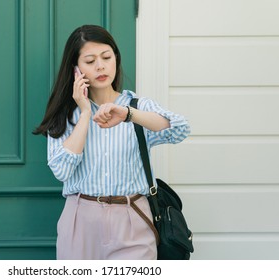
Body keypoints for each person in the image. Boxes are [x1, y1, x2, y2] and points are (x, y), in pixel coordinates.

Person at [33, 25, 190, 260]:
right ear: (75, 69)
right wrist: (85, 114)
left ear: (115, 58)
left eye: (106, 57)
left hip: (132, 217)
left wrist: (128, 114)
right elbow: (61, 170)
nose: (100, 66)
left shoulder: (137, 106)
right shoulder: (66, 115)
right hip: (80, 221)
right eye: (90, 60)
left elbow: (179, 129)